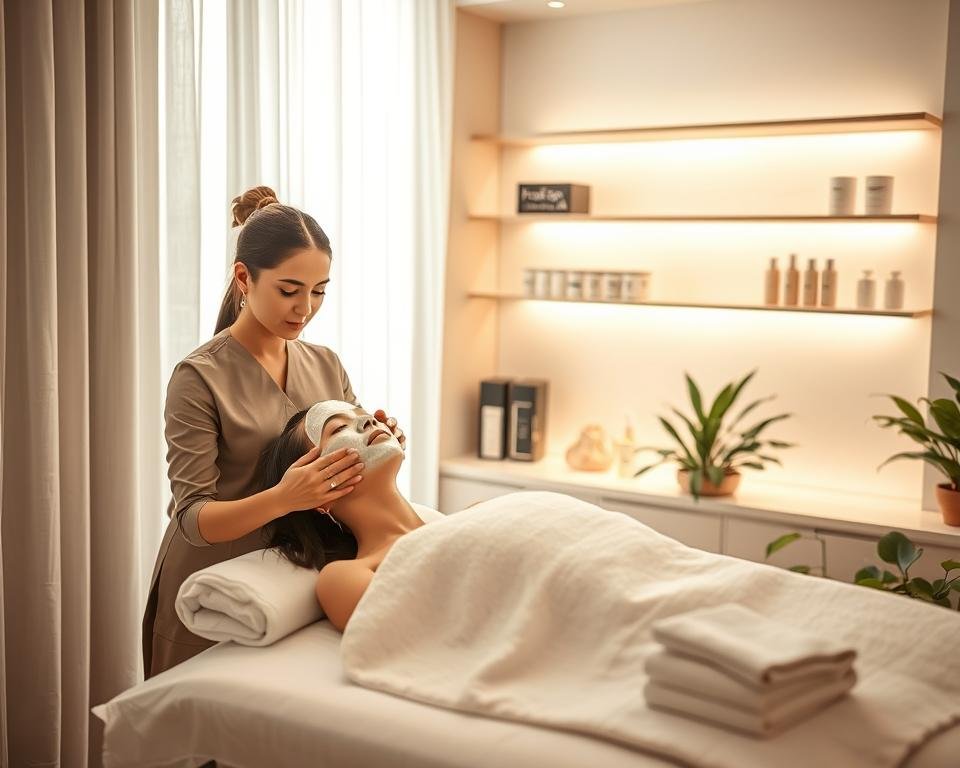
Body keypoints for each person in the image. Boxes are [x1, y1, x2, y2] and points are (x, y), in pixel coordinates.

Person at [143, 186, 405, 677]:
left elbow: (348, 465)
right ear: (244, 277)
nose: (305, 308)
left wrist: (380, 441)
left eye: (319, 291)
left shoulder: (326, 364)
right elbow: (192, 518)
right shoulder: (198, 377)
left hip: (291, 577)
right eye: (289, 290)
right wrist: (285, 498)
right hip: (214, 582)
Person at [257, 400, 422, 632]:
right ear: (316, 495)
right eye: (339, 428)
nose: (369, 420)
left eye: (363, 414)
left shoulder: (466, 516)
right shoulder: (344, 578)